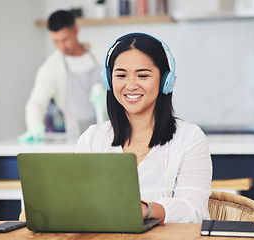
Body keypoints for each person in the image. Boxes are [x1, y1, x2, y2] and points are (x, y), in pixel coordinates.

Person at [75, 32, 212, 223]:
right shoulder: (92, 139)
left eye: (142, 75)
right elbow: (79, 205)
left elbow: (194, 211)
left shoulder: (189, 138)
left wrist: (147, 210)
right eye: (121, 75)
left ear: (165, 81)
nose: (131, 85)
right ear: (108, 80)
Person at [18, 9, 105, 143]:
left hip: (111, 133)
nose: (61, 46)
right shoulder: (51, 67)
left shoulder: (103, 54)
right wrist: (34, 126)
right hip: (76, 139)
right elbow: (36, 103)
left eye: (65, 39)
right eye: (56, 41)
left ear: (75, 31)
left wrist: (111, 96)